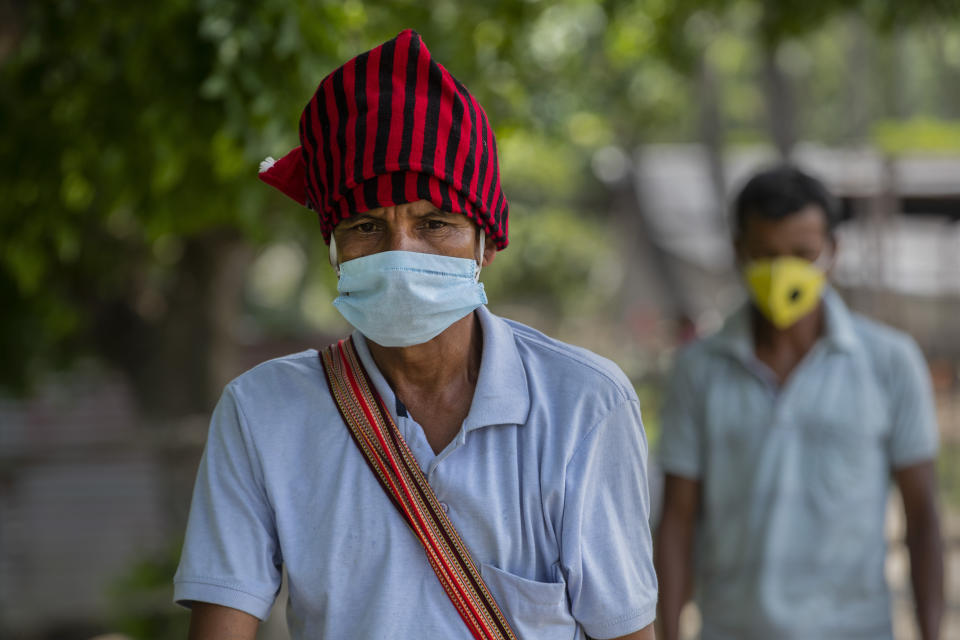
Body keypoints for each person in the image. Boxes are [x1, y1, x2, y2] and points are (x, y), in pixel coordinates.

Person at [174, 29, 657, 640]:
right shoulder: (262, 412)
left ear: (485, 245)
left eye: (435, 224)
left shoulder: (583, 404)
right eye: (366, 226)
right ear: (333, 248)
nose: (401, 253)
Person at [655, 165, 944, 640]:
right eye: (766, 254)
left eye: (802, 253)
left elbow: (923, 515)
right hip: (732, 630)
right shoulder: (698, 369)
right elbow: (678, 519)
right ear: (738, 252)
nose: (783, 270)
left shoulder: (890, 362)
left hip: (856, 630)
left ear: (833, 252)